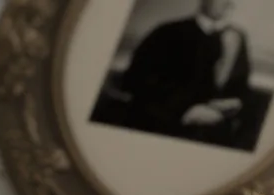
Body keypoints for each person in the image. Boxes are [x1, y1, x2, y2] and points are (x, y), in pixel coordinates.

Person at [91, 0, 261, 149]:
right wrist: (185, 111)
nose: (228, 2)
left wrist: (237, 102)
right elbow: (135, 81)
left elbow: (240, 85)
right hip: (162, 128)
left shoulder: (236, 39)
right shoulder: (167, 33)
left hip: (214, 136)